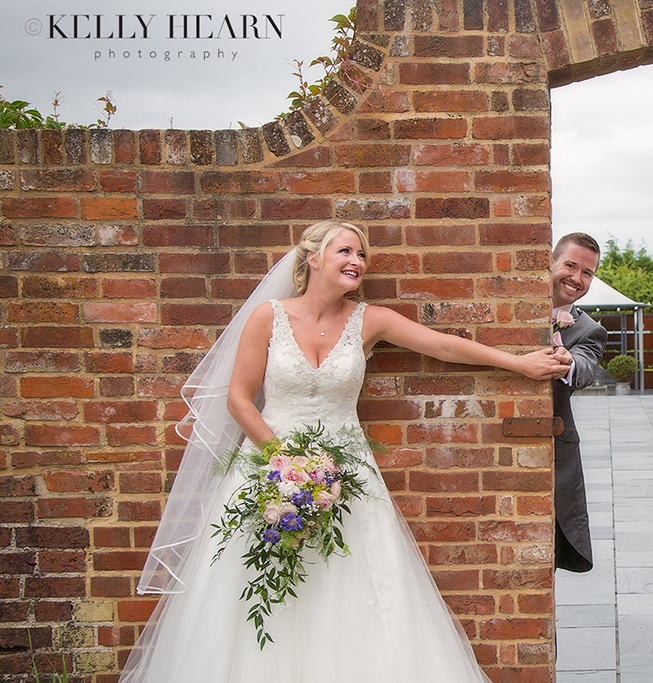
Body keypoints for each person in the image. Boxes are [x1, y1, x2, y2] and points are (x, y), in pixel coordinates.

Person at [121, 221, 567, 683]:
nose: (357, 261)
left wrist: (519, 363)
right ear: (313, 258)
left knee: (354, 584)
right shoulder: (267, 317)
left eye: (362, 255)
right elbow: (239, 398)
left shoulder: (369, 319)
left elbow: (441, 344)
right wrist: (288, 463)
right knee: (258, 583)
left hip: (347, 472)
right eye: (345, 251)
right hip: (271, 466)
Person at [548, 233, 607, 573]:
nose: (577, 278)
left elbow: (585, 367)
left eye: (587, 273)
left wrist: (568, 361)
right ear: (552, 263)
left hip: (554, 451)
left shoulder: (588, 329)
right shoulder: (507, 305)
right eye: (570, 265)